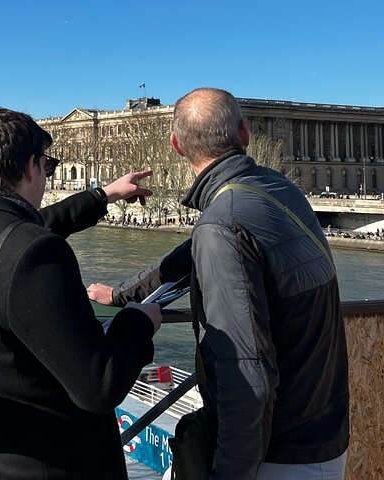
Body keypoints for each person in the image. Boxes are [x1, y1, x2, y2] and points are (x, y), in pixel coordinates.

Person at [88, 88, 349, 479]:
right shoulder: (278, 191)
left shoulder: (222, 223)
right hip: (325, 430)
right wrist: (121, 294)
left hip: (277, 454)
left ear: (176, 146)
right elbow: (185, 258)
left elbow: (247, 376)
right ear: (245, 134)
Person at [0, 107, 162, 479]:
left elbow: (19, 232)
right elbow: (99, 386)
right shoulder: (35, 252)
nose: (47, 179)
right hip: (44, 463)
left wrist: (104, 194)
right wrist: (137, 322)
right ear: (32, 166)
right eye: (48, 168)